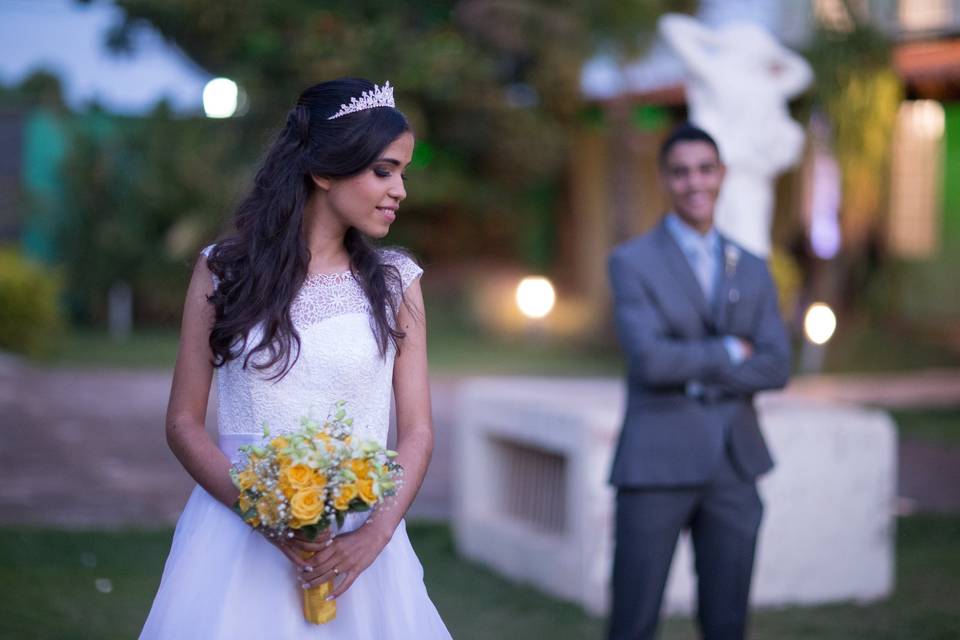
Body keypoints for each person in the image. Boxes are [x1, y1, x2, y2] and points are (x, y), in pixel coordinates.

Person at [140, 78, 451, 639]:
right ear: (324, 170)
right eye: (384, 170)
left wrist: (370, 540)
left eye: (403, 172)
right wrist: (261, 512)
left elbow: (418, 431)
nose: (400, 189)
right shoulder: (223, 270)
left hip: (360, 547)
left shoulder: (396, 282)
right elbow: (183, 423)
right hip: (237, 538)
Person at [606, 124, 791, 640]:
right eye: (681, 172)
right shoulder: (631, 262)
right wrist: (731, 351)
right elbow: (650, 362)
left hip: (736, 463)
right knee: (633, 622)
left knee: (728, 623)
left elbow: (777, 364)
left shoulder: (752, 266)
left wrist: (697, 375)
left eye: (705, 169)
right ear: (665, 179)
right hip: (655, 465)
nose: (695, 182)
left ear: (722, 175)